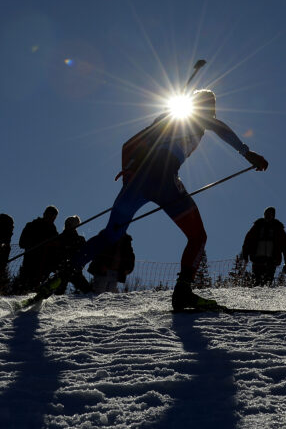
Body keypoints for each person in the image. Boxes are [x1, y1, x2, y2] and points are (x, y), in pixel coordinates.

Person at [69, 89, 268, 310]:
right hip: (163, 178)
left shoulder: (166, 121)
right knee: (197, 236)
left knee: (111, 235)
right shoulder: (196, 116)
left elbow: (128, 145)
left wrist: (128, 175)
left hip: (136, 183)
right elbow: (219, 127)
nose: (212, 112)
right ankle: (183, 290)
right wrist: (246, 152)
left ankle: (67, 269)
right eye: (211, 107)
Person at [241, 206, 286, 286]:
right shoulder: (258, 226)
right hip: (257, 258)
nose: (267, 216)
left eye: (269, 214)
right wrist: (245, 255)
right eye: (266, 214)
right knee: (256, 281)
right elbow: (248, 240)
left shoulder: (278, 228)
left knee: (267, 282)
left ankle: (266, 296)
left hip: (272, 260)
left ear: (273, 216)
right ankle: (256, 296)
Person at [16, 205, 59, 293]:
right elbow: (22, 243)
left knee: (38, 285)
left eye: (54, 217)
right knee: (27, 284)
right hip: (31, 260)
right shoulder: (32, 226)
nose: (51, 219)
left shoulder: (54, 232)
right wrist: (38, 243)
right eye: (50, 215)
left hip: (45, 264)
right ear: (45, 214)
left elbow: (56, 249)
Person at [53, 216, 92, 294]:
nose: (67, 226)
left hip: (74, 269)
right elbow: (54, 254)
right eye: (66, 224)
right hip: (62, 269)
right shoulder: (59, 238)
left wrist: (80, 264)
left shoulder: (80, 239)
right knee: (58, 291)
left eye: (69, 224)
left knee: (88, 291)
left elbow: (85, 254)